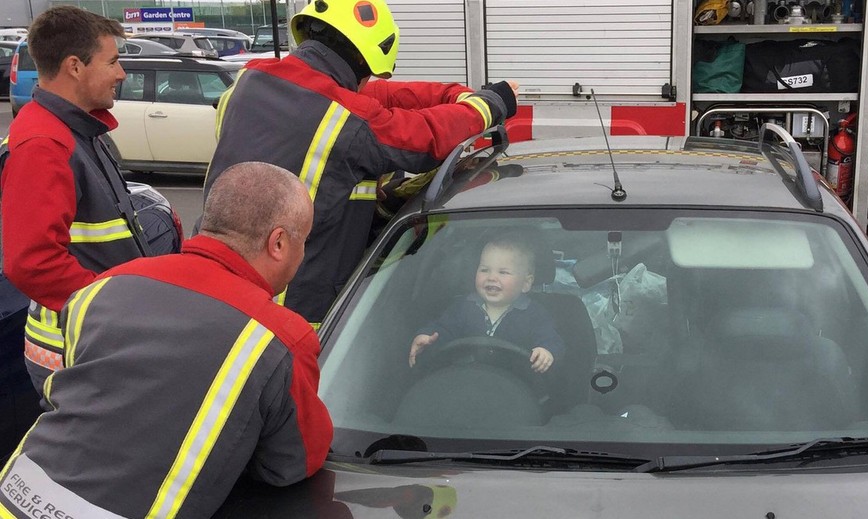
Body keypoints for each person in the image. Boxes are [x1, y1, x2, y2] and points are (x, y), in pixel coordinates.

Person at [0, 162, 333, 519]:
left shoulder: (105, 286)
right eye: (304, 240)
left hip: (15, 494)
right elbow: (289, 464)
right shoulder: (279, 338)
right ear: (279, 242)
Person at [199, 0, 519, 328]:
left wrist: (454, 94)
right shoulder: (342, 118)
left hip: (214, 286)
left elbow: (380, 96)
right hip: (290, 307)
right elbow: (424, 138)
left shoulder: (248, 83)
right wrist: (491, 104)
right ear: (366, 60)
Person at [0, 6, 147, 393]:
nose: (121, 73)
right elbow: (31, 263)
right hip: (77, 349)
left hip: (93, 339)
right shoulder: (45, 144)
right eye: (112, 61)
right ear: (74, 67)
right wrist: (115, 309)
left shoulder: (74, 129)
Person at [408, 234, 565, 373]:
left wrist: (546, 351)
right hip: (465, 380)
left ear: (525, 283)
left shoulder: (535, 315)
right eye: (484, 270)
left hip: (515, 388)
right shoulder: (463, 307)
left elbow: (551, 339)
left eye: (503, 272)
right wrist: (426, 335)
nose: (491, 277)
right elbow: (442, 329)